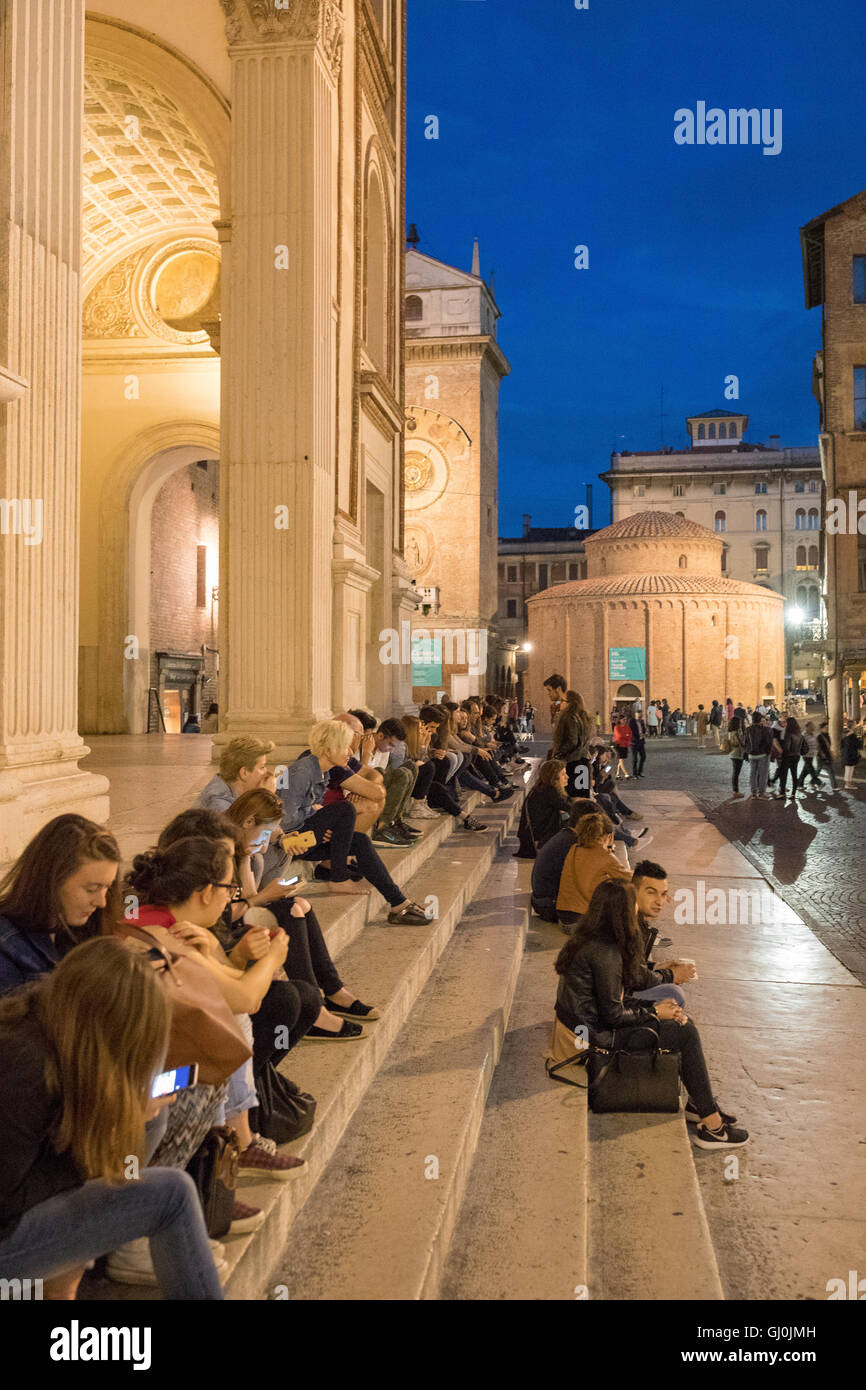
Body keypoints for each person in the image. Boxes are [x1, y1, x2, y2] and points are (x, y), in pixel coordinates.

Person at [0, 937, 224, 1300]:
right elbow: (8, 1202)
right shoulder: (23, 1068)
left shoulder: (48, 1025)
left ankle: (63, 1284)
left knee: (148, 1119)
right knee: (172, 1194)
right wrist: (111, 1130)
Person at [553, 880, 747, 1148]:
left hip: (582, 1026)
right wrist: (655, 1012)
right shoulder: (605, 951)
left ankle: (699, 1103)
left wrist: (658, 1000)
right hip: (589, 1038)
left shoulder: (595, 937)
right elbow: (613, 1017)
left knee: (677, 1018)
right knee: (685, 1031)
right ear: (623, 911)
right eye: (634, 904)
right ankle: (712, 1126)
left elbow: (627, 984)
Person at [275, 720, 432, 924]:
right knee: (345, 808)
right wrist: (316, 816)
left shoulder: (324, 769)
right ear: (329, 747)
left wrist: (321, 820)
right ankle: (338, 878)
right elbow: (285, 820)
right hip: (291, 843)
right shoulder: (301, 771)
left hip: (306, 837)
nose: (350, 752)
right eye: (344, 746)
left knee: (360, 842)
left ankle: (398, 903)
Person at [0, 815, 122, 995]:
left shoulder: (78, 930)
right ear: (52, 880)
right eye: (92, 889)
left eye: (107, 888)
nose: (101, 902)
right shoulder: (7, 948)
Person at [555, 811, 631, 933]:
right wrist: (610, 849)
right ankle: (645, 935)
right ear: (608, 835)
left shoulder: (574, 849)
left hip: (565, 920)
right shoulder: (604, 855)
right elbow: (630, 879)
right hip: (582, 923)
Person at [530, 800, 598, 922]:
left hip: (542, 901)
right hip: (549, 905)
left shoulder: (566, 835)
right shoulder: (572, 844)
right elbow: (585, 881)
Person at [515, 760, 571, 859]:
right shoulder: (549, 792)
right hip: (534, 844)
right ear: (554, 778)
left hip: (531, 841)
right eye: (563, 774)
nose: (567, 777)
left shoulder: (543, 788)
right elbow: (570, 808)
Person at [552, 689, 592, 797]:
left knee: (571, 796)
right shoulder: (584, 718)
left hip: (572, 762)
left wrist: (559, 753)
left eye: (562, 701)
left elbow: (572, 741)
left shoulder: (569, 718)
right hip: (583, 761)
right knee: (582, 796)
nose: (560, 703)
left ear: (570, 703)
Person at [744, 711, 773, 798]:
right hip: (762, 754)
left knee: (753, 774)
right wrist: (767, 752)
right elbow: (769, 743)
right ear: (760, 719)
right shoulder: (765, 729)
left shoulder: (748, 729)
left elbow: (745, 742)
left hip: (752, 754)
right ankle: (761, 792)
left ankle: (753, 792)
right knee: (763, 774)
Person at [773, 716, 802, 800]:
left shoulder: (788, 733)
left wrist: (781, 753)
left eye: (786, 722)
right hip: (796, 756)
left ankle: (782, 794)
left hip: (787, 756)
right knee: (794, 774)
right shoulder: (799, 733)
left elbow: (787, 747)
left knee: (783, 775)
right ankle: (793, 794)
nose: (785, 724)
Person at [797, 721, 822, 790]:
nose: (814, 727)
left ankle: (799, 784)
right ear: (807, 727)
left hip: (812, 754)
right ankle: (818, 782)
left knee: (805, 770)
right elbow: (801, 745)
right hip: (806, 755)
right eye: (812, 726)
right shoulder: (803, 735)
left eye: (813, 726)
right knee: (811, 769)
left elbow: (817, 743)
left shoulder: (814, 734)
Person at [726, 714, 745, 798]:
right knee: (736, 773)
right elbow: (735, 743)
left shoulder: (735, 732)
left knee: (736, 773)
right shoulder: (735, 733)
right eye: (739, 723)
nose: (741, 724)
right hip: (736, 754)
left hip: (736, 754)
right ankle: (735, 791)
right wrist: (741, 739)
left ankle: (736, 790)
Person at [841, 721, 862, 789]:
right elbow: (858, 745)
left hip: (846, 754)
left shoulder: (845, 734)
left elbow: (841, 744)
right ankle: (848, 784)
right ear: (852, 726)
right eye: (854, 725)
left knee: (849, 769)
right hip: (851, 755)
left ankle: (848, 783)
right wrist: (859, 739)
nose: (855, 726)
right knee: (849, 770)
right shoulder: (852, 735)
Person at [816, 722, 837, 790]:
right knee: (819, 770)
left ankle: (834, 786)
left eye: (827, 727)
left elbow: (828, 746)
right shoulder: (819, 736)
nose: (827, 729)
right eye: (825, 727)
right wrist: (822, 755)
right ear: (822, 729)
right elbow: (818, 747)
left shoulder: (827, 735)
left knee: (830, 770)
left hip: (827, 756)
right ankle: (813, 781)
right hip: (822, 756)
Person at [628, 709, 647, 778]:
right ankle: (634, 773)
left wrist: (645, 733)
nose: (640, 718)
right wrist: (640, 735)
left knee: (643, 756)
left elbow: (644, 729)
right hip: (634, 742)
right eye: (638, 716)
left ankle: (640, 771)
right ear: (635, 715)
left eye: (641, 716)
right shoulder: (631, 721)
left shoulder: (642, 721)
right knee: (635, 759)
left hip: (641, 742)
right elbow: (631, 731)